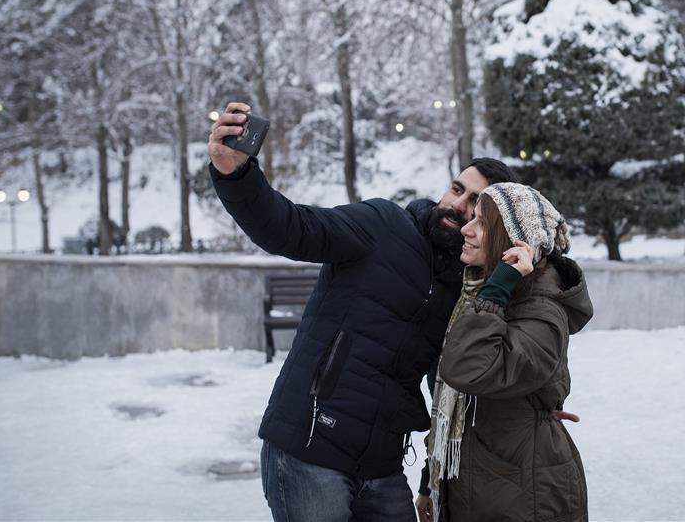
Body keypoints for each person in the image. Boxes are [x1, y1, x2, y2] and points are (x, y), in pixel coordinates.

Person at [207, 102, 518, 522]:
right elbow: (292, 227)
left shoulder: (461, 289)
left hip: (381, 468)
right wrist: (237, 175)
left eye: (476, 203)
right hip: (308, 449)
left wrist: (432, 477)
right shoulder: (382, 224)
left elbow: (452, 390)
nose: (457, 204)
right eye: (457, 189)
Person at [416, 182, 593, 522]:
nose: (466, 229)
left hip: (524, 492)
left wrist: (499, 284)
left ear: (516, 243)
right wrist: (430, 483)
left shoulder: (540, 310)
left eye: (481, 223)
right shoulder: (484, 295)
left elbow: (466, 369)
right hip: (486, 482)